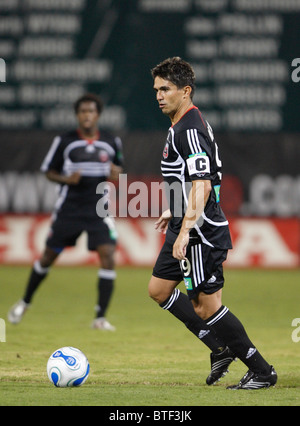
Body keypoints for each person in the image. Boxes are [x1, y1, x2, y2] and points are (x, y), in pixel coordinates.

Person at [149, 57, 277, 389]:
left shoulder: (188, 128)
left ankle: (262, 371)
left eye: (166, 89)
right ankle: (219, 347)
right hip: (185, 222)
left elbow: (204, 184)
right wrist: (174, 210)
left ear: (185, 91)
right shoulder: (181, 123)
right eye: (157, 89)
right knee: (160, 290)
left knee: (206, 306)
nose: (159, 95)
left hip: (200, 232)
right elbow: (199, 178)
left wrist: (187, 230)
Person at [8, 93, 123, 331]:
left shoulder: (112, 141)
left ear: (98, 115)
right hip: (69, 208)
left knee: (109, 256)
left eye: (91, 111)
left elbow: (119, 170)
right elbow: (48, 171)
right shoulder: (65, 141)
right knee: (48, 256)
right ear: (77, 115)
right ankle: (24, 302)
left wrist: (116, 174)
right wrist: (66, 179)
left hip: (98, 209)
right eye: (82, 112)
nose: (87, 115)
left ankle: (100, 318)